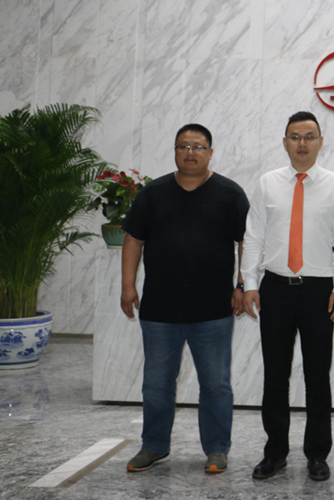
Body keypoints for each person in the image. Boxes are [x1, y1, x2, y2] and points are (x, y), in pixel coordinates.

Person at [121, 123, 250, 474]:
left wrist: (241, 284)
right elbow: (133, 239)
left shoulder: (230, 194)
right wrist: (128, 285)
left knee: (216, 385)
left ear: (210, 152)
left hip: (214, 309)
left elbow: (247, 242)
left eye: (198, 146)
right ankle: (154, 446)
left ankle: (217, 449)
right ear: (175, 151)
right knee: (156, 384)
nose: (190, 152)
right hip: (160, 309)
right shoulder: (153, 193)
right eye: (183, 146)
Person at [242, 111, 334, 482]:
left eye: (309, 136)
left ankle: (317, 454)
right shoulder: (267, 183)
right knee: (275, 376)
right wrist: (249, 282)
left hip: (319, 291)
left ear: (320, 142)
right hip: (274, 288)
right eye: (295, 136)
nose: (302, 143)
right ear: (285, 142)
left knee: (317, 376)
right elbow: (254, 236)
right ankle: (275, 452)